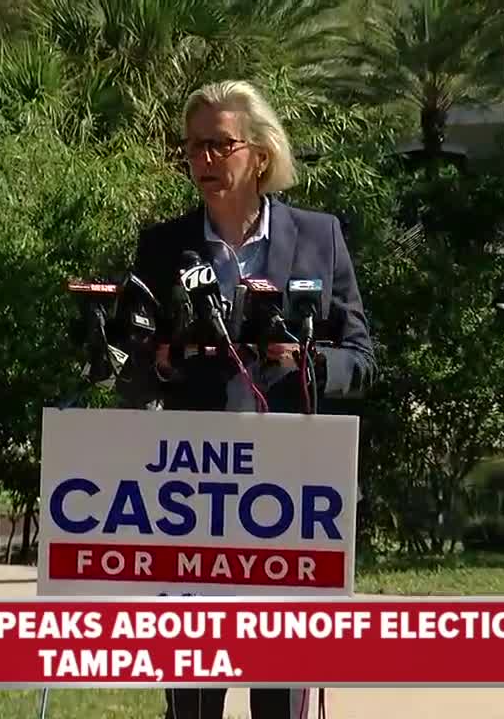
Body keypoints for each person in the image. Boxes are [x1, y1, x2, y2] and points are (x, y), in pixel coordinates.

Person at [125, 80, 376, 719]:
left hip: (284, 504)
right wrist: (154, 362)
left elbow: (361, 359)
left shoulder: (318, 237)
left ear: (258, 155)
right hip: (192, 501)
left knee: (279, 698)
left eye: (218, 145)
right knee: (193, 702)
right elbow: (133, 370)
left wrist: (307, 362)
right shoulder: (162, 247)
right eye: (192, 148)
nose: (203, 161)